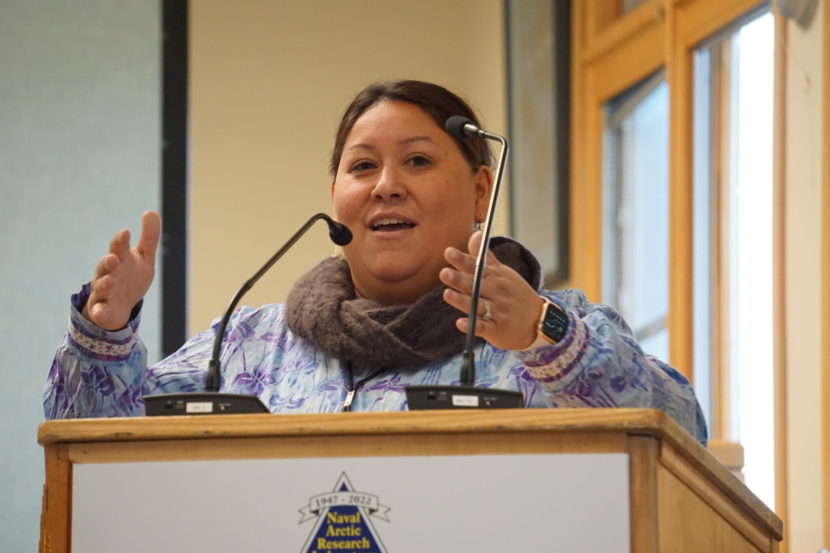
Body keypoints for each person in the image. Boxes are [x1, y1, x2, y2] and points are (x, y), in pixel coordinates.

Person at [44, 80, 708, 445]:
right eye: (362, 166)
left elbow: (682, 428)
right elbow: (91, 450)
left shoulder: (550, 330)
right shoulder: (246, 343)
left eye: (417, 160)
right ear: (336, 196)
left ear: (481, 190)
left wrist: (544, 332)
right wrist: (107, 329)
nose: (386, 184)